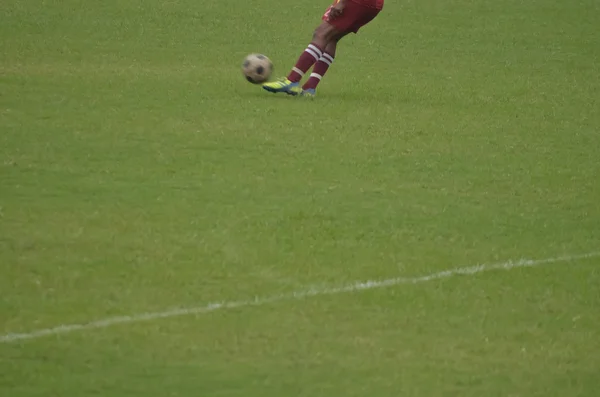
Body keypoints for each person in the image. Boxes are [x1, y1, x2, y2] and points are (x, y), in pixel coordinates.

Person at [262, 0, 384, 97]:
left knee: (321, 34)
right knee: (331, 38)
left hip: (357, 1)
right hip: (374, 4)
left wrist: (342, 2)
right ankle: (310, 88)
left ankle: (291, 80)